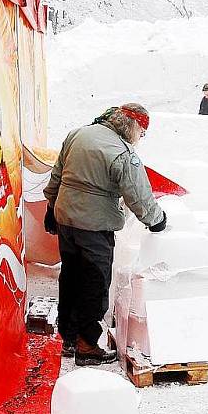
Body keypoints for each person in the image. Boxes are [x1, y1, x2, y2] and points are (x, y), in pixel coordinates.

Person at [43, 103, 167, 366]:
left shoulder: (78, 134)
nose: (139, 139)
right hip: (94, 226)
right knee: (94, 283)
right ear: (133, 127)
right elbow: (139, 196)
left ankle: (69, 337)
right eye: (141, 134)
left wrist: (51, 207)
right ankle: (87, 346)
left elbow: (56, 175)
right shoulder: (122, 153)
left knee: (71, 277)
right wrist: (157, 221)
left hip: (66, 219)